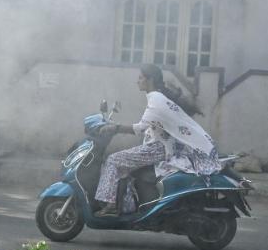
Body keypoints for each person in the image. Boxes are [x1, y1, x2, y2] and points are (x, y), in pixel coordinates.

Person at [94, 64, 221, 217]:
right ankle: (126, 202)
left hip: (156, 148)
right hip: (160, 146)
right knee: (122, 163)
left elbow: (140, 128)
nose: (137, 81)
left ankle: (111, 205)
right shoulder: (158, 98)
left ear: (150, 80)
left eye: (140, 78)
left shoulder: (156, 101)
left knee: (113, 160)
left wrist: (114, 128)